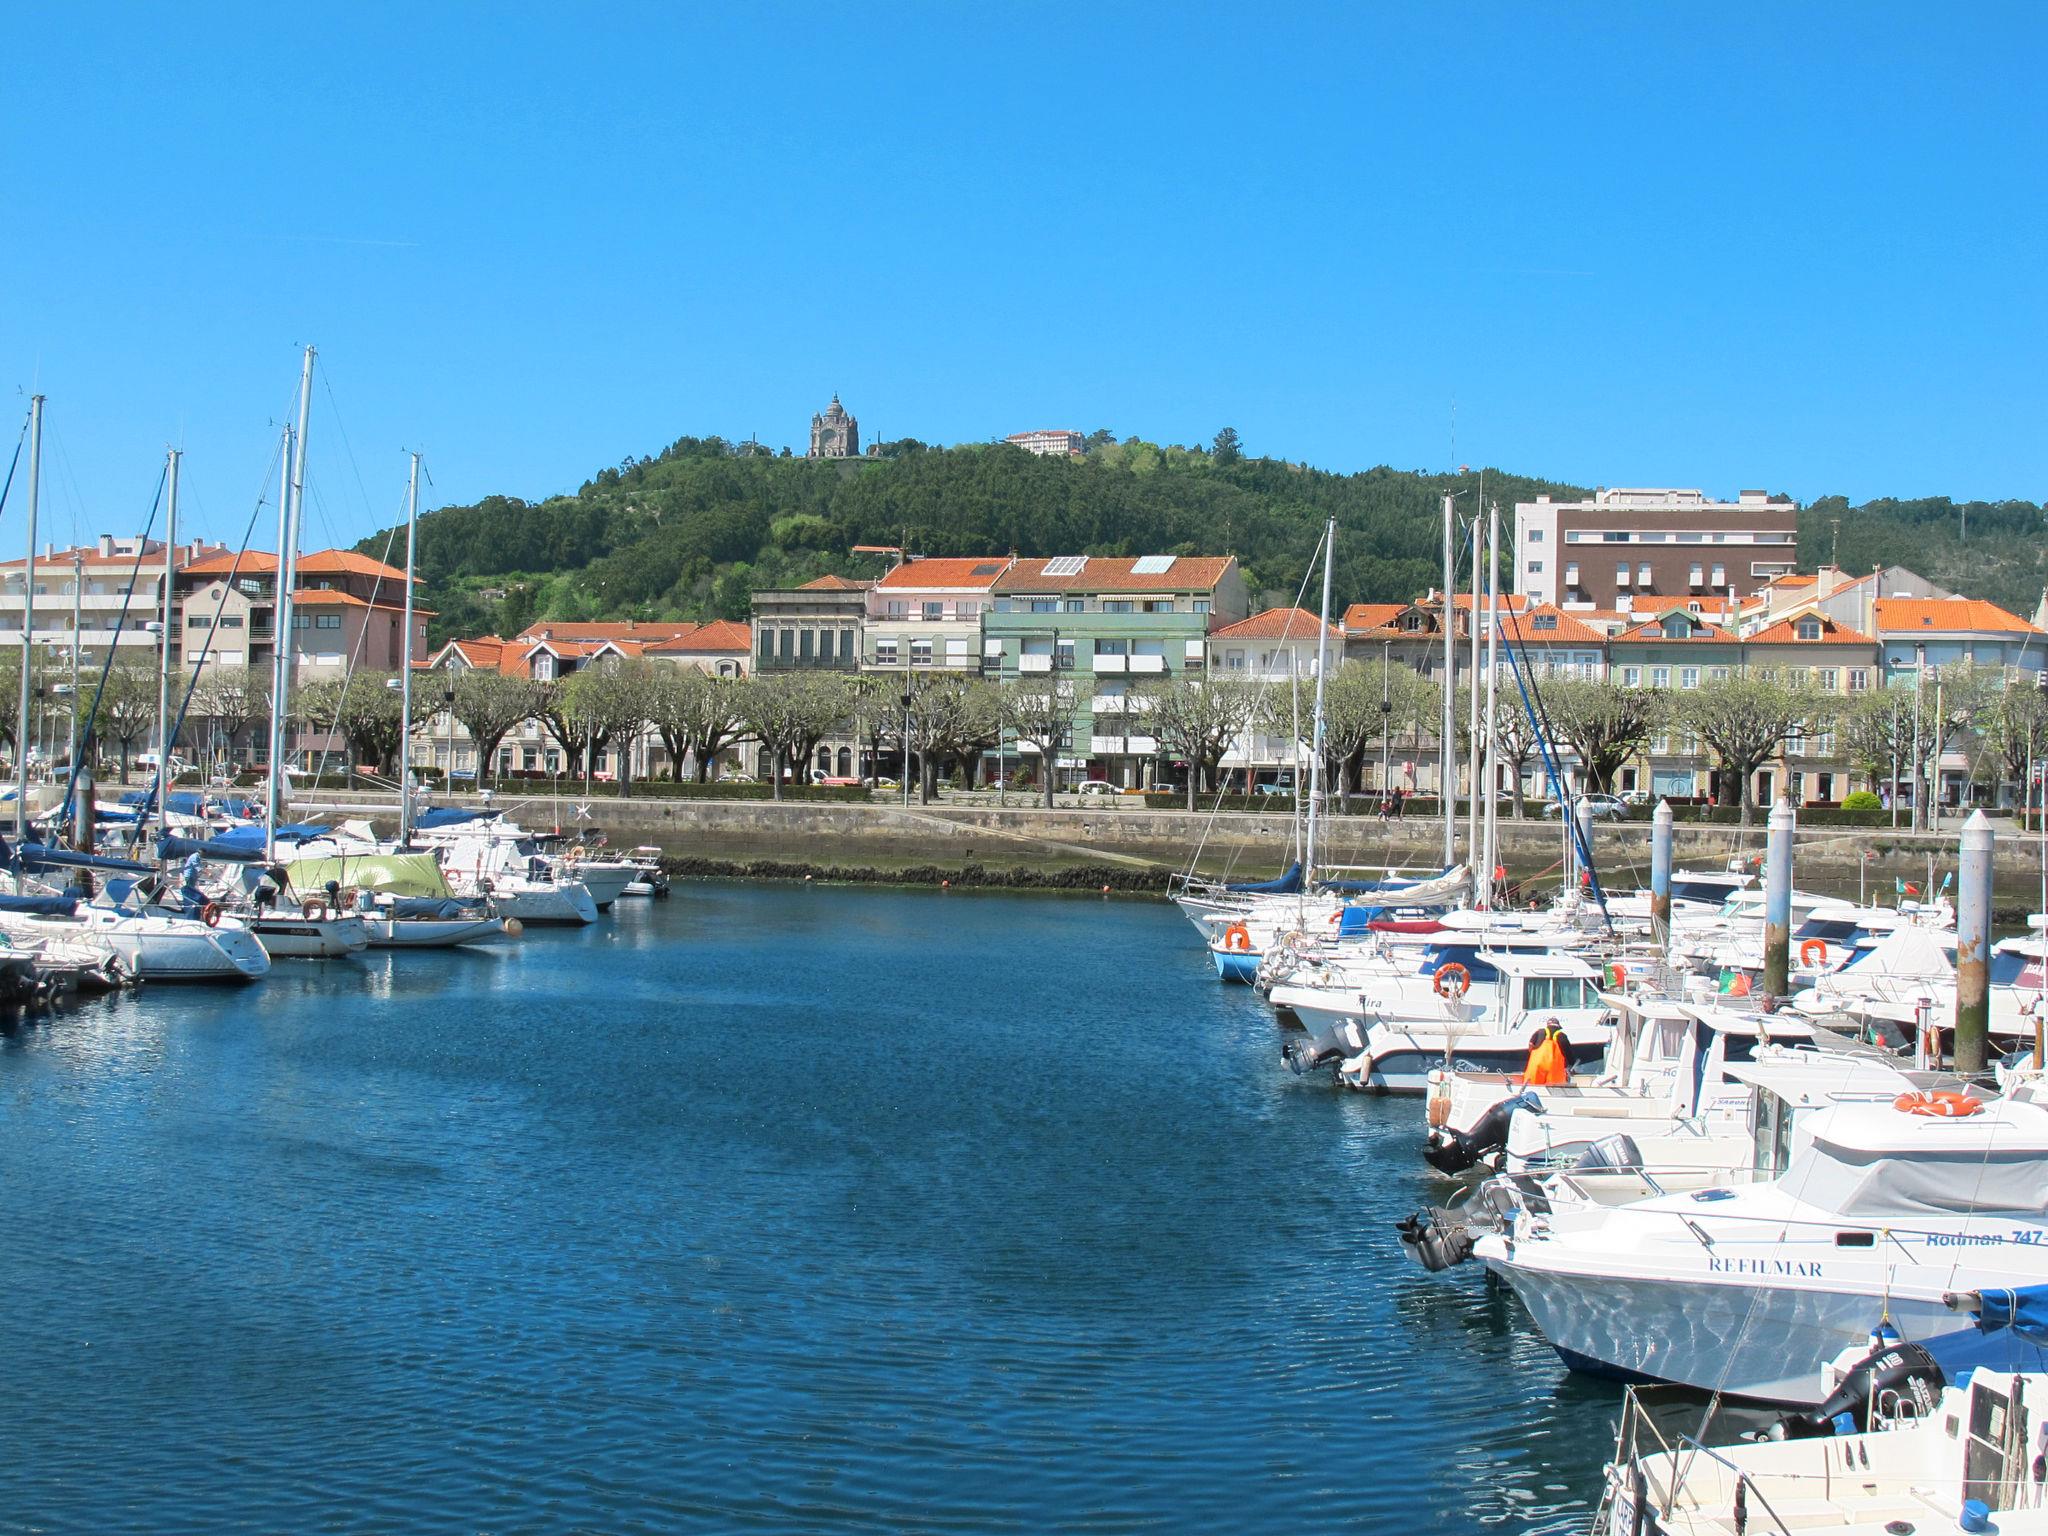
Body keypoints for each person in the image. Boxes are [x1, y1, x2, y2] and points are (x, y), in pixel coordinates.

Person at [1523, 1017, 1569, 1086]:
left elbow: (1531, 1044)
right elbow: (1568, 1053)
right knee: (1553, 1087)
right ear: (1558, 1027)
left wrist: (1533, 1055)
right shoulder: (1562, 1035)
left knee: (1533, 1086)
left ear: (1548, 1025)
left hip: (1537, 1065)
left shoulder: (1539, 1032)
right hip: (1554, 1067)